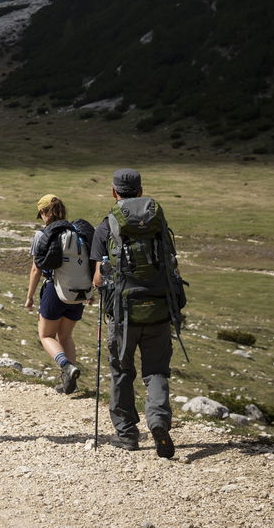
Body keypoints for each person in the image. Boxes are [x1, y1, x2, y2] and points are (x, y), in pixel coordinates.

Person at [90, 168, 177, 458]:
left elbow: (98, 279)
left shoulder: (106, 226)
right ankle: (159, 422)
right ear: (140, 191)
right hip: (158, 311)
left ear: (114, 192)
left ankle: (127, 434)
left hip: (123, 314)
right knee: (156, 371)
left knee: (122, 372)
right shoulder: (157, 224)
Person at [24, 193, 85, 394]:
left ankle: (67, 367)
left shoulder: (43, 235)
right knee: (66, 336)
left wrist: (30, 296)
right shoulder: (77, 232)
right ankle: (70, 384)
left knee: (46, 335)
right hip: (78, 293)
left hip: (54, 290)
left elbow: (36, 269)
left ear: (43, 212)